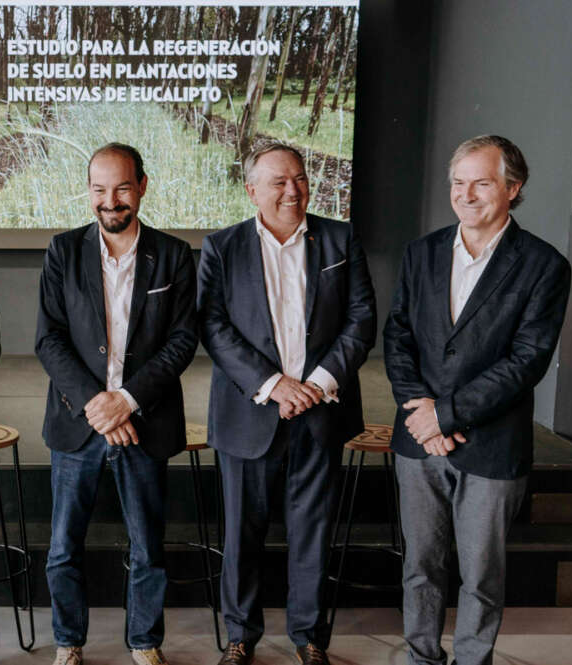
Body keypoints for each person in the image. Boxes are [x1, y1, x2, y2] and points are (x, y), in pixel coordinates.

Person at [384, 135, 571, 665]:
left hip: (491, 446)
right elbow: (397, 337)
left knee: (481, 573)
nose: (466, 194)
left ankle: (472, 660)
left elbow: (526, 361)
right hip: (418, 441)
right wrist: (422, 413)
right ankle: (421, 656)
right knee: (420, 564)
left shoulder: (543, 265)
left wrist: (445, 414)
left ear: (513, 188)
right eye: (458, 183)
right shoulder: (422, 252)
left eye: (481, 182)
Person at [197, 142, 376, 665]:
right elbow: (213, 325)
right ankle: (240, 636)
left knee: (313, 530)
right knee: (241, 534)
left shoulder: (339, 239)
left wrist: (317, 384)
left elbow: (361, 318)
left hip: (321, 412)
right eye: (278, 181)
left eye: (299, 178)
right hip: (249, 412)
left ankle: (308, 636)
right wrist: (273, 383)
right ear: (252, 190)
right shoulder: (222, 246)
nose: (292, 190)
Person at [35, 143, 198, 665]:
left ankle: (145, 641)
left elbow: (182, 341)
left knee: (147, 547)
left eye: (122, 188)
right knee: (63, 547)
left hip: (143, 422)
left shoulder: (174, 255)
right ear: (88, 191)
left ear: (142, 186)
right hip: (78, 423)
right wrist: (95, 405)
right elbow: (49, 338)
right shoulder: (63, 251)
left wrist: (124, 401)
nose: (112, 201)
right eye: (101, 189)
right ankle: (69, 641)